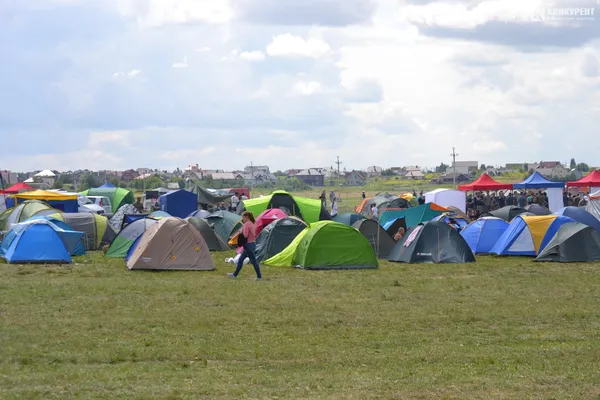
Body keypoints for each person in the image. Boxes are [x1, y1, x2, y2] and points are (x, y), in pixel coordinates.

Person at [228, 211, 262, 280]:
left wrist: (241, 232)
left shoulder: (246, 224)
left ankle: (259, 277)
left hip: (248, 245)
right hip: (252, 243)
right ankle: (234, 274)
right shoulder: (253, 223)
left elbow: (245, 235)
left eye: (243, 217)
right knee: (241, 260)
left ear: (246, 217)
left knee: (254, 261)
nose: (242, 219)